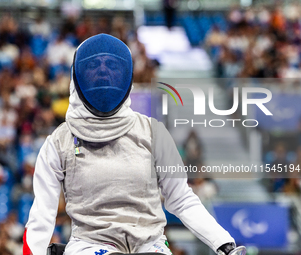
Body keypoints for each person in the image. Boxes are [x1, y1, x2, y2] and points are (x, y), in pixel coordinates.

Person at [23, 34, 246, 255]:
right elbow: (42, 214)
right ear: (77, 74)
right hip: (88, 246)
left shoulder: (152, 132)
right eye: (93, 64)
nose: (103, 71)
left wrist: (223, 243)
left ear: (126, 74)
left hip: (150, 245)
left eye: (111, 64)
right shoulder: (59, 142)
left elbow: (181, 199)